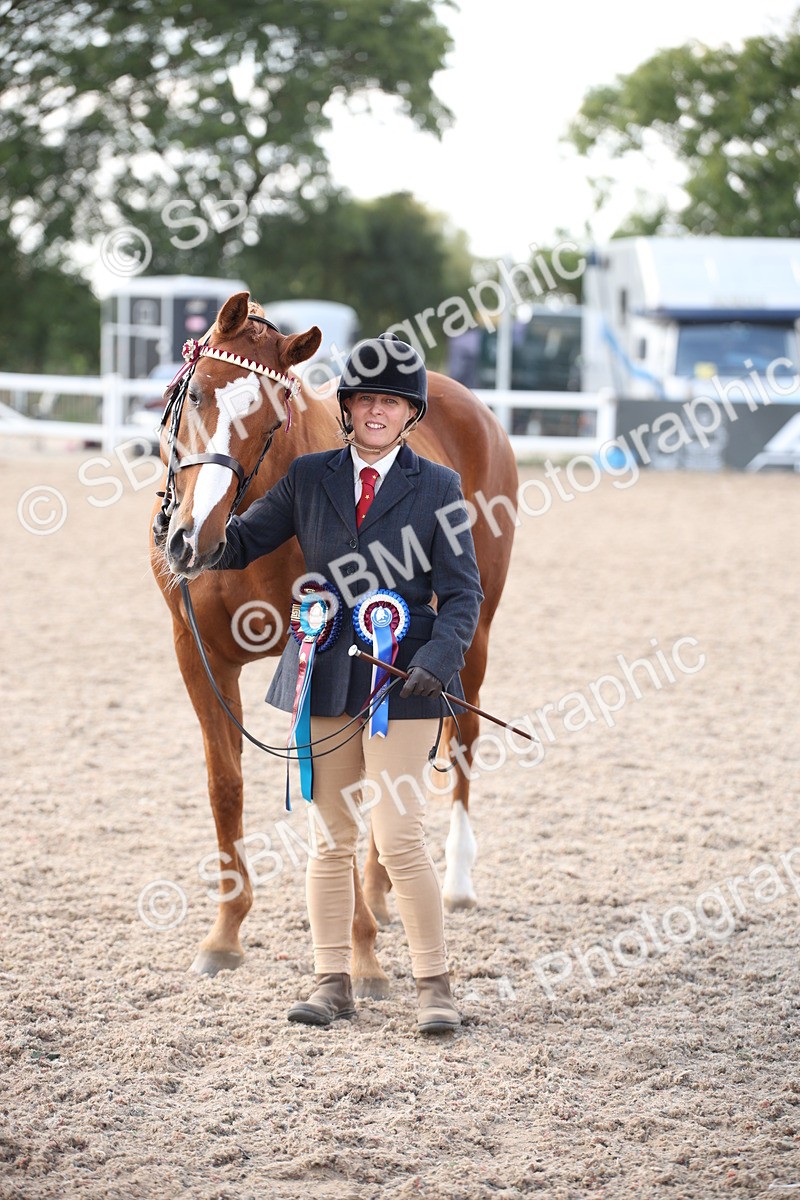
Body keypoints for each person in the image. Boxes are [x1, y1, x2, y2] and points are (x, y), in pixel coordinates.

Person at [211, 332, 483, 1034]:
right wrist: (197, 538)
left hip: (407, 679)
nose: (376, 413)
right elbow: (244, 540)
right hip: (327, 668)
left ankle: (434, 984)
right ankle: (331, 980)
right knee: (329, 836)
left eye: (391, 403)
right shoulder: (311, 478)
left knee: (397, 837)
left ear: (409, 414)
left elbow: (462, 594)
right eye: (365, 401)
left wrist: (443, 658)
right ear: (349, 406)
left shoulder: (441, 487)